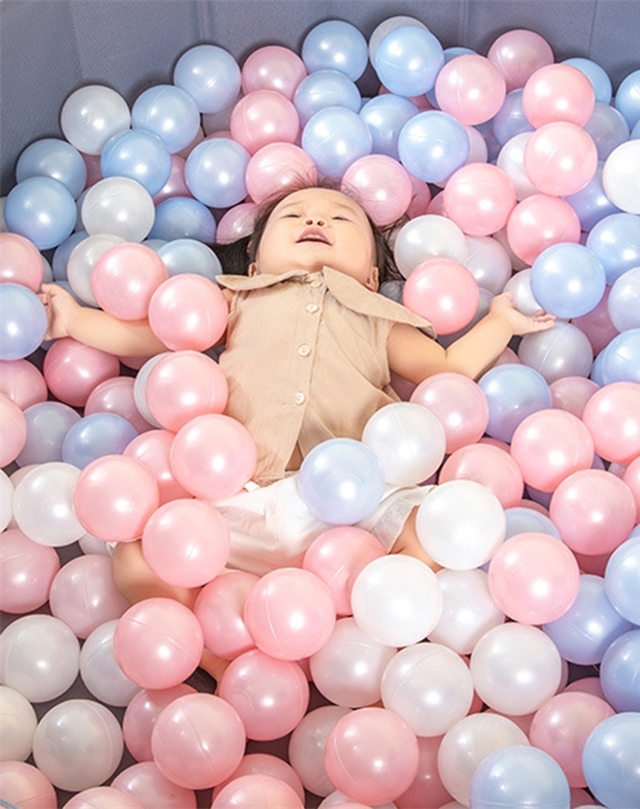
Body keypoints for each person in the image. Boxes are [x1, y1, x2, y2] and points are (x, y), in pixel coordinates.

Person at [40, 180, 555, 675]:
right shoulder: (235, 300)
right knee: (136, 550)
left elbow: (446, 370)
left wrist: (500, 322)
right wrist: (76, 321)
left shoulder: (378, 316)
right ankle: (214, 657)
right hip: (236, 502)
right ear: (255, 265)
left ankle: (360, 629)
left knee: (433, 522)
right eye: (293, 215)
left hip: (353, 509)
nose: (315, 220)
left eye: (340, 219)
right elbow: (155, 336)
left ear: (371, 276)